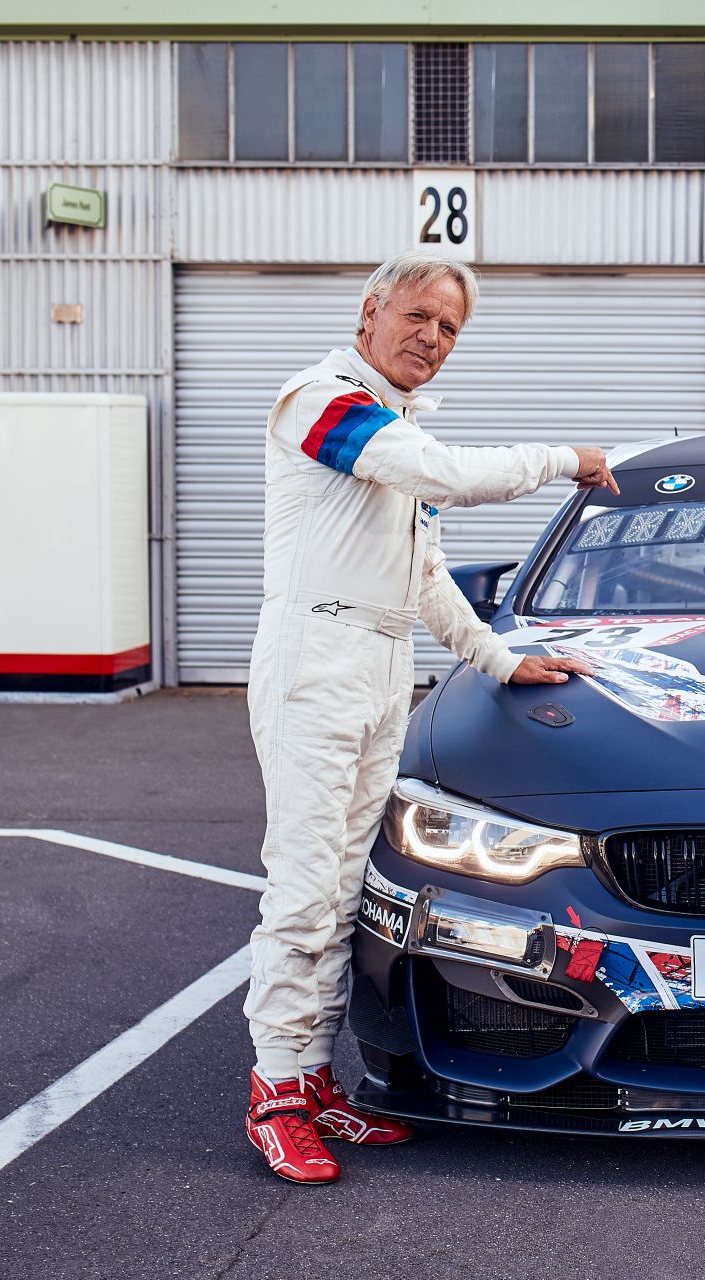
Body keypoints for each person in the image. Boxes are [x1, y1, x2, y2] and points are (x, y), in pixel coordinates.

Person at [243, 252, 618, 1185]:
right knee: (303, 889)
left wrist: (499, 659)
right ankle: (275, 1091)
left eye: (449, 329)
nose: (432, 338)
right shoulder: (320, 400)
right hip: (314, 658)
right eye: (418, 316)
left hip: (379, 664)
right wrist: (564, 459)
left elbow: (425, 578)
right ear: (371, 310)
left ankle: (315, 1077)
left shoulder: (394, 428)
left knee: (344, 890)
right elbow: (446, 477)